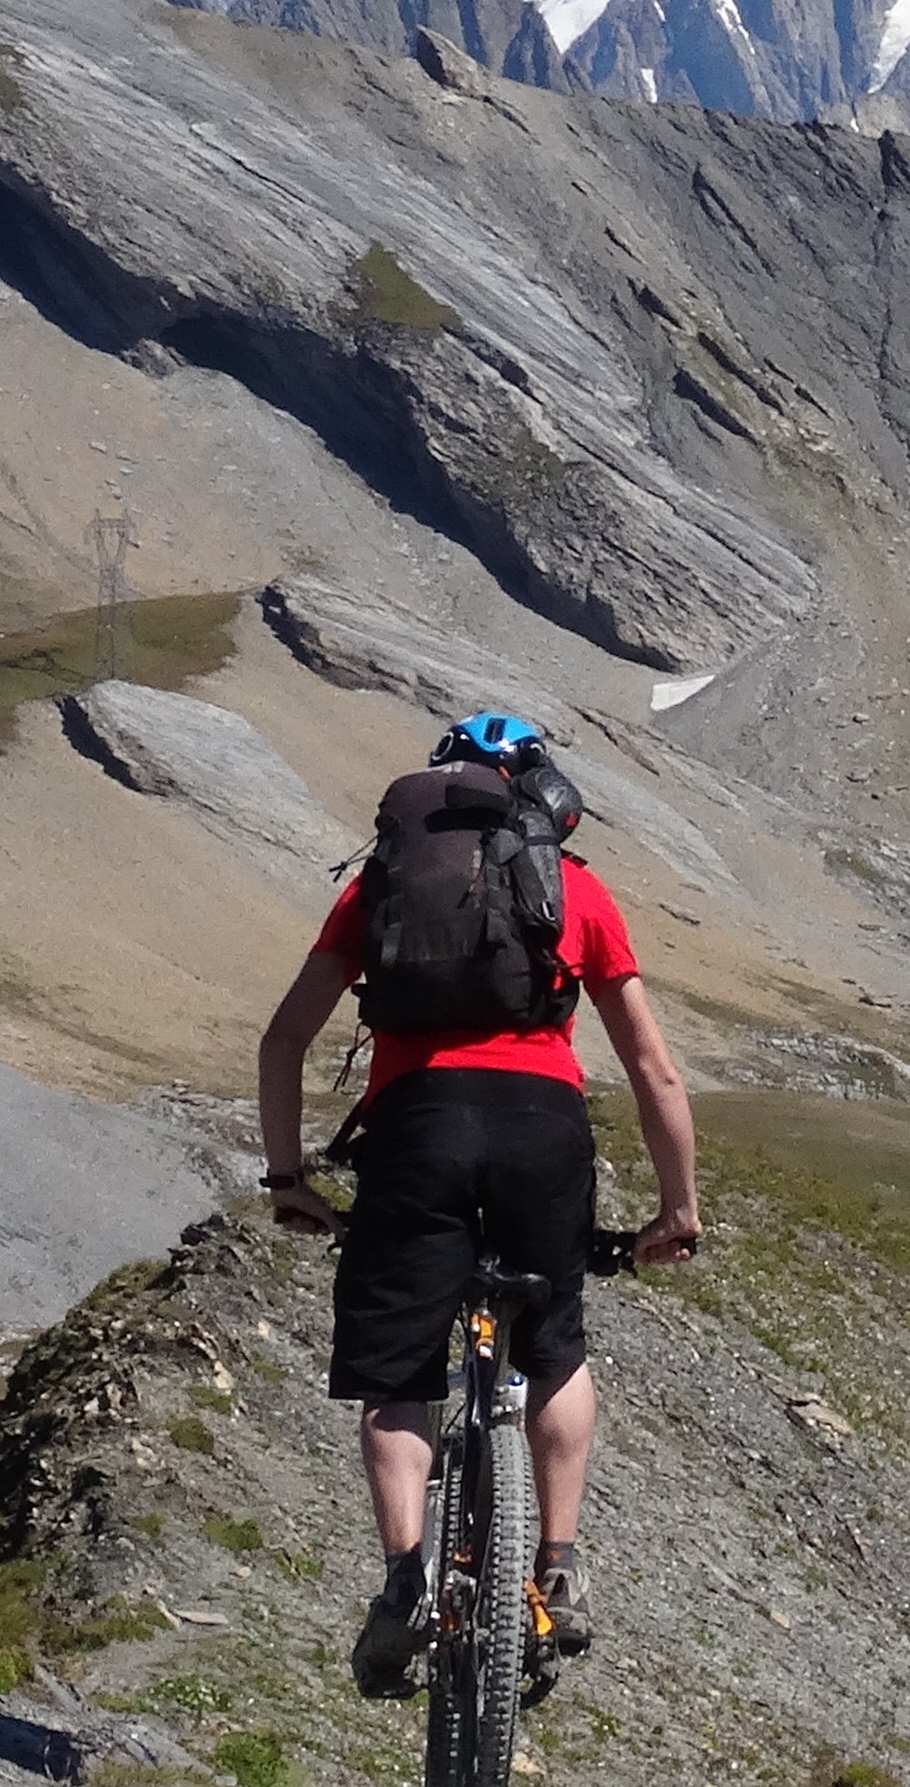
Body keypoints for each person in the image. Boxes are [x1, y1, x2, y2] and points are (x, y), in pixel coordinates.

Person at [256, 709, 703, 1698]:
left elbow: (284, 1038)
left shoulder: (377, 887)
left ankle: (404, 1583)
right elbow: (655, 1071)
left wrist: (290, 1182)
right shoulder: (576, 890)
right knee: (557, 1347)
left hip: (416, 1127)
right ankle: (555, 1566)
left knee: (400, 1373)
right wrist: (676, 1211)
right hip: (542, 1129)